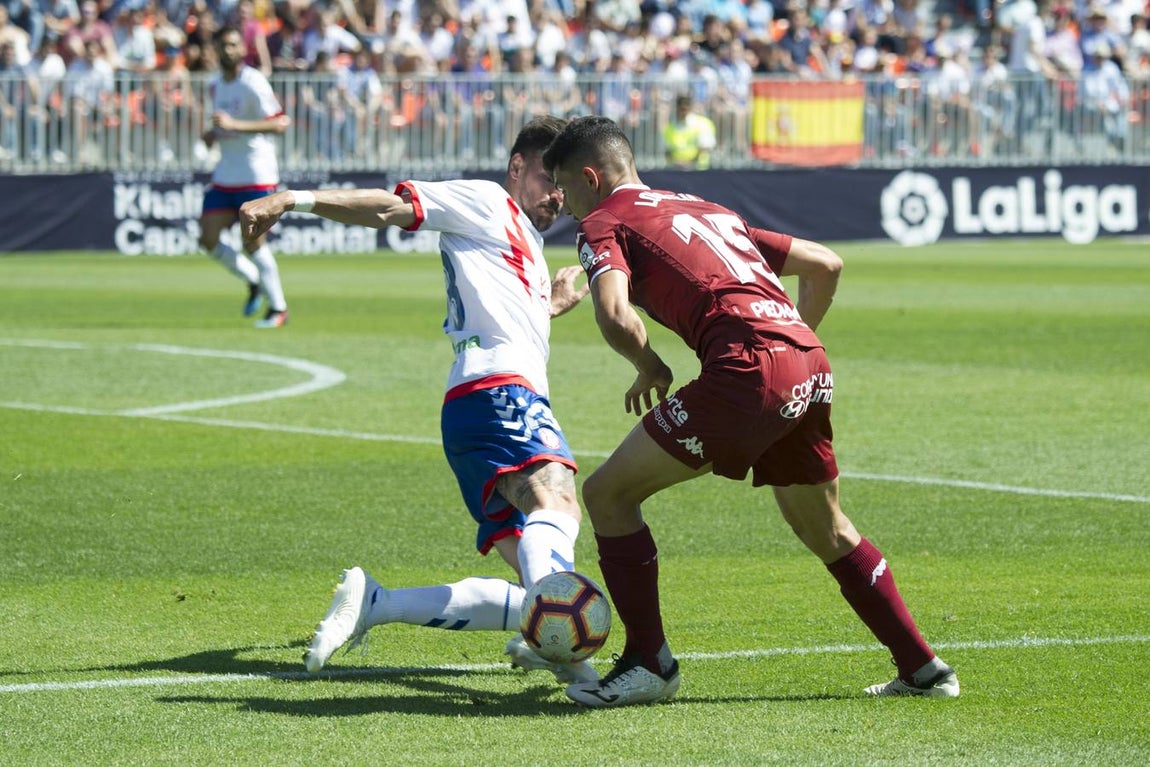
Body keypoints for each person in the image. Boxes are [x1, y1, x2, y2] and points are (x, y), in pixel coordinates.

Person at [541, 116, 960, 707]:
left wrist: (650, 366)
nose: (565, 204)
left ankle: (649, 664)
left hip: (748, 369)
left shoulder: (603, 223)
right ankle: (924, 669)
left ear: (591, 175)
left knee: (609, 495)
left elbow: (614, 314)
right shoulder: (708, 209)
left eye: (566, 187)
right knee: (827, 529)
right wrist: (789, 347)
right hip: (808, 363)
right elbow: (825, 265)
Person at [238, 115, 596, 684]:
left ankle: (378, 604)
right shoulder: (486, 201)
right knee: (557, 502)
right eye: (548, 177)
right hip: (499, 389)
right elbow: (388, 207)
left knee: (535, 576)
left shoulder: (518, 237)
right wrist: (292, 198)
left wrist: (547, 305)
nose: (558, 193)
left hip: (477, 400)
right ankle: (568, 654)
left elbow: (494, 309)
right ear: (516, 168)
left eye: (564, 182)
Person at [198, 24, 291, 329]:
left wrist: (235, 125)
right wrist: (213, 134)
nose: (229, 50)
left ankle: (278, 308)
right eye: (224, 45)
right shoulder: (215, 85)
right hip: (226, 172)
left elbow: (280, 123)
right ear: (215, 49)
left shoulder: (253, 81)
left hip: (256, 173)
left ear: (242, 49)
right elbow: (224, 125)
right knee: (208, 237)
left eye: (234, 45)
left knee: (253, 242)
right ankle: (253, 280)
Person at [663, 94, 716, 170]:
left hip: (699, 171)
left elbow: (705, 148)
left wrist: (689, 163)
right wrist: (677, 163)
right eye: (681, 107)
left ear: (691, 107)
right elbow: (667, 152)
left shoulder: (703, 124)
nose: (683, 110)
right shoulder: (669, 128)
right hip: (676, 171)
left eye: (686, 106)